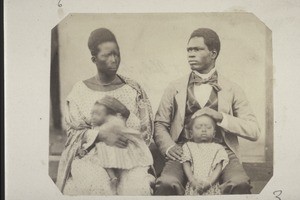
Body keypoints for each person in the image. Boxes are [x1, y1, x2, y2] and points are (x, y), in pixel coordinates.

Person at [153, 28, 260, 195]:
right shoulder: (174, 87)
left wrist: (221, 117)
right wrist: (169, 147)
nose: (191, 54)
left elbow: (254, 130)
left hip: (222, 150)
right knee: (167, 183)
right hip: (183, 150)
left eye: (197, 49)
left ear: (213, 53)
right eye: (189, 50)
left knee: (239, 183)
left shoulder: (232, 88)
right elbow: (160, 123)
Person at [56, 28, 154, 195]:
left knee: (137, 186)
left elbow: (146, 131)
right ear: (94, 59)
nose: (114, 59)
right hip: (91, 157)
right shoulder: (79, 91)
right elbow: (73, 133)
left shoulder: (133, 89)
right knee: (97, 184)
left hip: (130, 155)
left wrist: (125, 119)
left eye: (116, 54)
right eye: (107, 55)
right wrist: (101, 135)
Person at [76, 95, 153, 192]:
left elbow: (127, 133)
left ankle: (113, 177)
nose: (93, 117)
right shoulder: (101, 128)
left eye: (98, 114)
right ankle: (113, 178)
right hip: (112, 154)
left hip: (115, 153)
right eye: (92, 114)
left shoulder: (108, 125)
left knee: (104, 157)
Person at [181, 113, 228, 195]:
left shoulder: (218, 148)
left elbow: (218, 167)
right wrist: (192, 181)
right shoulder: (188, 146)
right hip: (194, 184)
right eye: (199, 127)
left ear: (214, 133)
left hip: (211, 184)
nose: (204, 130)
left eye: (208, 127)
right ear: (191, 133)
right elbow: (186, 164)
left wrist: (209, 182)